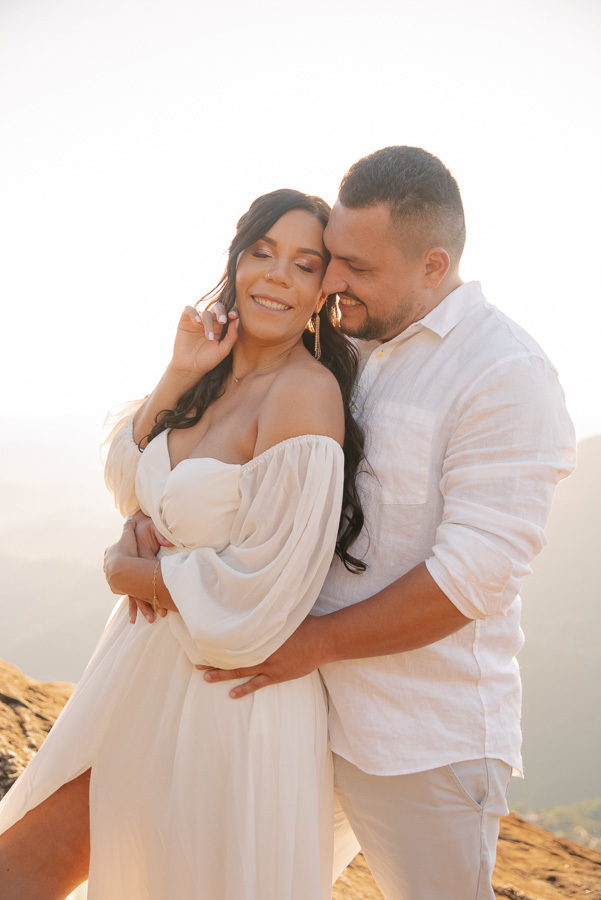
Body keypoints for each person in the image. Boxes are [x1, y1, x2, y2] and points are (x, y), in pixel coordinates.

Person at [202, 147, 577, 899]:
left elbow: (472, 579)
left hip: (420, 739)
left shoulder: (504, 373)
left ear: (433, 265)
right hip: (306, 712)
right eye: (333, 257)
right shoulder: (347, 342)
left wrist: (309, 644)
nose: (331, 281)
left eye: (357, 267)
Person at [0, 189, 366, 900]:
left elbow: (267, 596)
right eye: (262, 252)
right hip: (139, 672)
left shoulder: (304, 393)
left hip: (222, 698)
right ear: (236, 261)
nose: (276, 274)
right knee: (24, 865)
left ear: (323, 290)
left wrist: (130, 572)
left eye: (303, 264)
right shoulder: (212, 374)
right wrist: (181, 369)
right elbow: (128, 476)